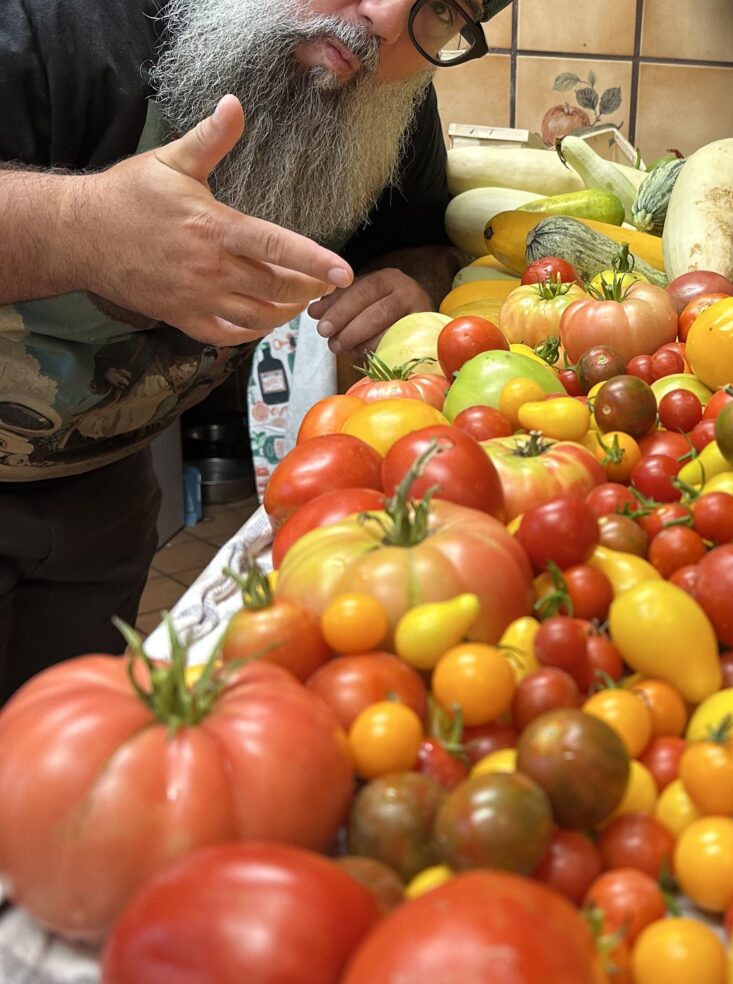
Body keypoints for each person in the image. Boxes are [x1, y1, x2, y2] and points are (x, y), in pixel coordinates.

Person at [0, 0, 511, 701]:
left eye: (444, 8)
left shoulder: (385, 97)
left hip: (107, 490)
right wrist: (74, 227)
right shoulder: (58, 23)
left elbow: (417, 243)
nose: (387, 18)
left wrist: (413, 283)